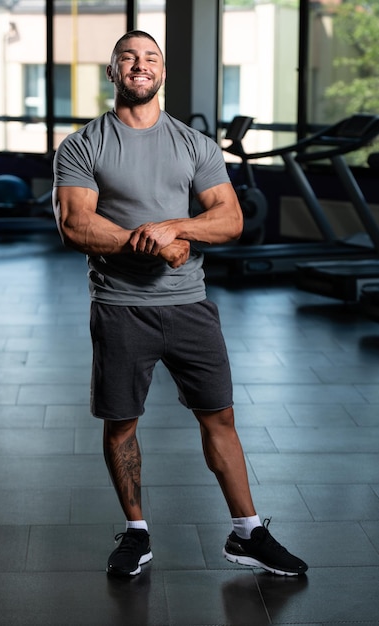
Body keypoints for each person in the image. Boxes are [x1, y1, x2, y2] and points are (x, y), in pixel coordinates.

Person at [52, 30, 308, 578]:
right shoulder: (83, 145)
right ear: (113, 72)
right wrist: (155, 243)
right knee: (122, 423)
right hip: (121, 306)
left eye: (150, 58)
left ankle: (247, 532)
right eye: (128, 57)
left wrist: (174, 226)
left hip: (190, 305)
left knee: (221, 417)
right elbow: (76, 224)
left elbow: (230, 218)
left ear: (162, 73)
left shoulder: (194, 145)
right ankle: (137, 533)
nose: (140, 65)